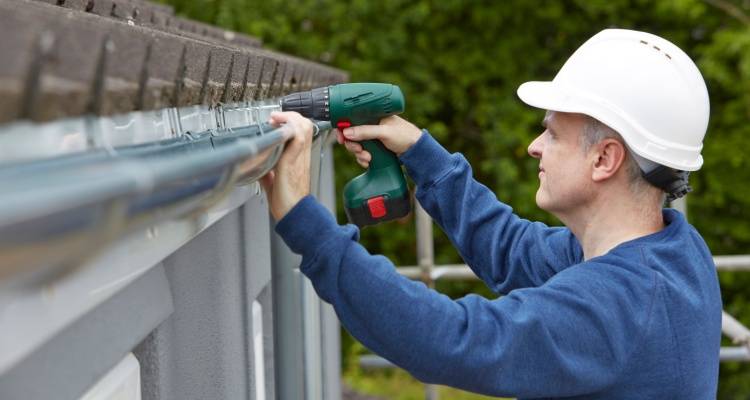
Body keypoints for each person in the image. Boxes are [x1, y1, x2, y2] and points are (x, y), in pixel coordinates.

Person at [260, 29, 722, 399]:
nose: (534, 147)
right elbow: (513, 251)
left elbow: (451, 340)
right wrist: (423, 155)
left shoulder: (616, 306)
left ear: (604, 159)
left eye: (553, 135)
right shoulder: (670, 253)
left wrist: (305, 220)